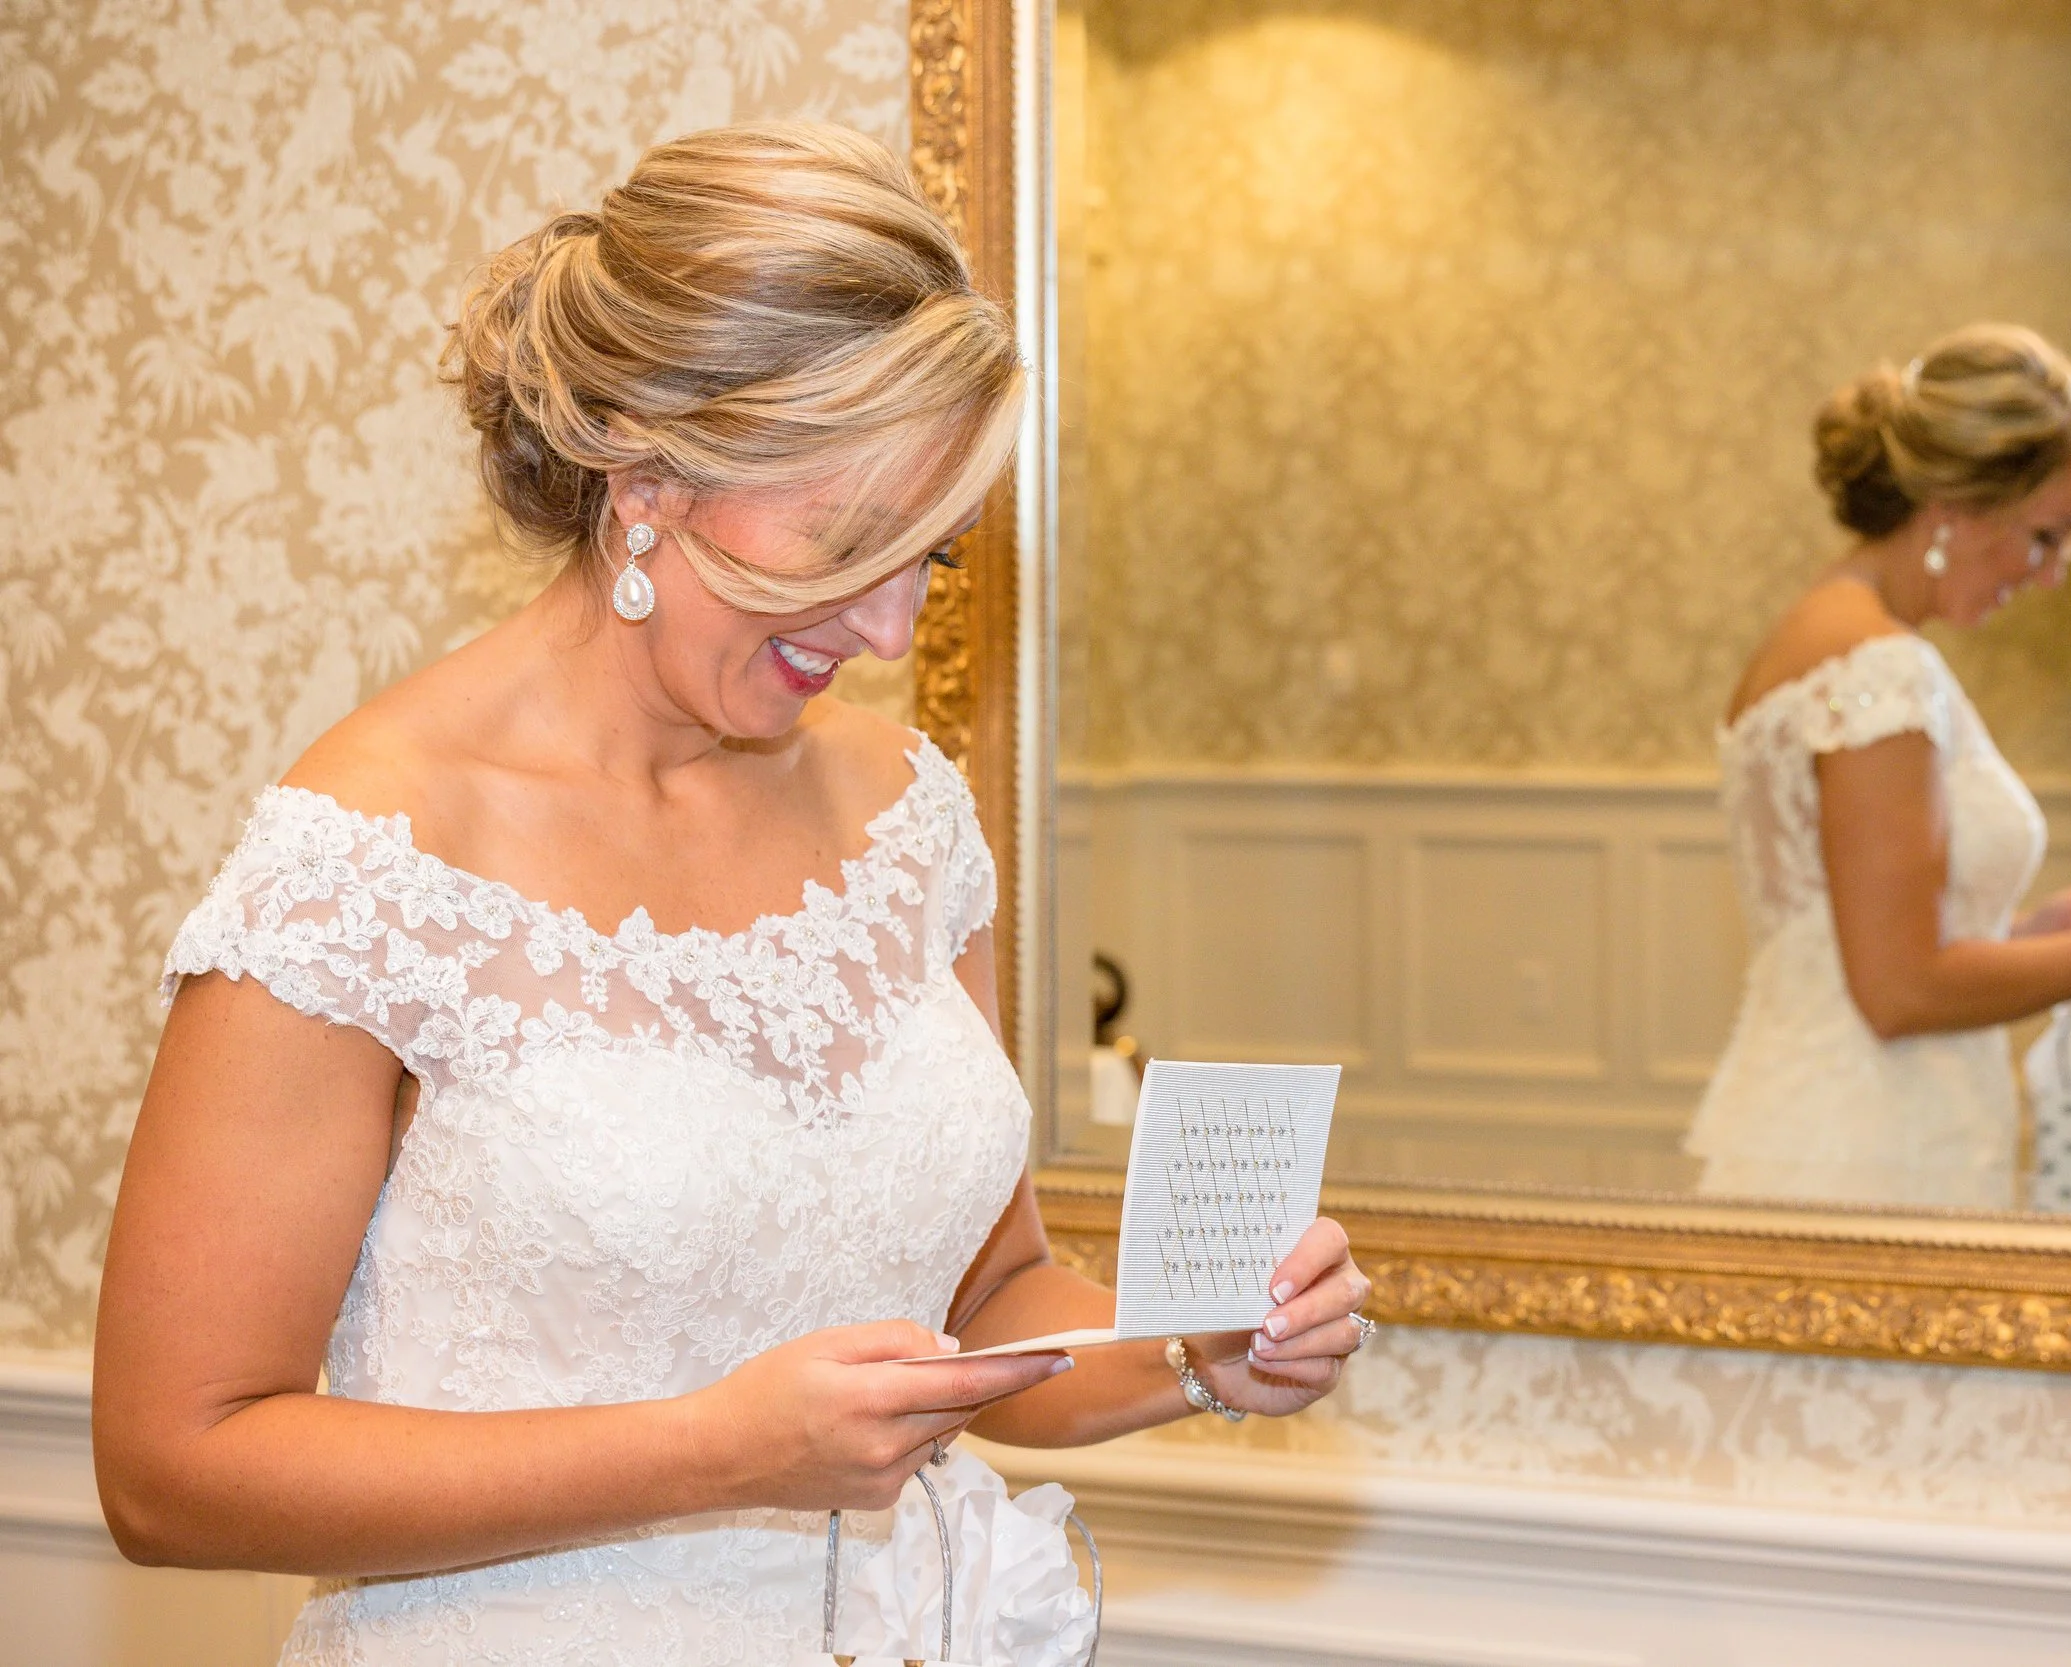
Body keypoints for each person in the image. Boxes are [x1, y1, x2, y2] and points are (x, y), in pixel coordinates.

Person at [89, 123, 1373, 1662]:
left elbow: (989, 1299)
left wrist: (1202, 1342)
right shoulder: (367, 859)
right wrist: (716, 1449)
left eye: (933, 559)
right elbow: (175, 1465)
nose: (892, 628)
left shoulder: (905, 815)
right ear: (645, 473)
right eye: (847, 546)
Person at [1687, 323, 2071, 1209]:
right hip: (1868, 1150)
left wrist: (2032, 934)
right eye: (2047, 536)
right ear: (1957, 506)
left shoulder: (1831, 635)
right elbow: (1901, 991)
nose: (2051, 574)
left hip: (1851, 1121)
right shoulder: (1878, 668)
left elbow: (1860, 947)